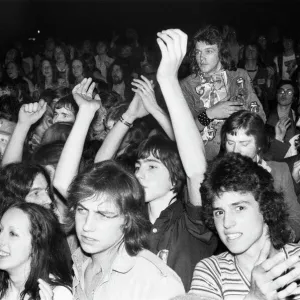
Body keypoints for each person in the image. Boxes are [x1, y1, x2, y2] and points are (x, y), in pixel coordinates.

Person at [53, 27, 217, 291]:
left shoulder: (189, 222)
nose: (139, 173)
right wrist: (122, 116)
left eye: (152, 166)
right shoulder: (126, 218)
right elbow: (98, 172)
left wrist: (168, 82)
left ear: (176, 178)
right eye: (139, 165)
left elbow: (196, 169)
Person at [189, 152, 300, 300]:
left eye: (239, 208)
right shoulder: (211, 272)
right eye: (219, 212)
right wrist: (254, 297)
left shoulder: (297, 259)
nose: (227, 223)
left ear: (265, 206)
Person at [67, 160, 185, 299]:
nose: (87, 225)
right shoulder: (79, 262)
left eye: (103, 215)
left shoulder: (155, 282)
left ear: (128, 221)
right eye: (82, 210)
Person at [180, 25, 266, 160]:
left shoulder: (239, 75)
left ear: (220, 52)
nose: (201, 57)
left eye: (208, 51)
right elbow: (182, 131)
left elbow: (259, 116)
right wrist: (210, 114)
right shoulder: (187, 85)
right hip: (205, 159)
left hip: (240, 155)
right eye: (198, 52)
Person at [220, 110, 300, 241]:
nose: (235, 151)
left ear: (258, 145)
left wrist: (278, 237)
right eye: (230, 142)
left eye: (244, 143)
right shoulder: (217, 175)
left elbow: (296, 218)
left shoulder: (279, 171)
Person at [0, 202, 72, 300]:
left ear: (36, 245)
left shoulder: (58, 294)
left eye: (12, 234)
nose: (1, 239)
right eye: (0, 230)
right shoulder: (4, 288)